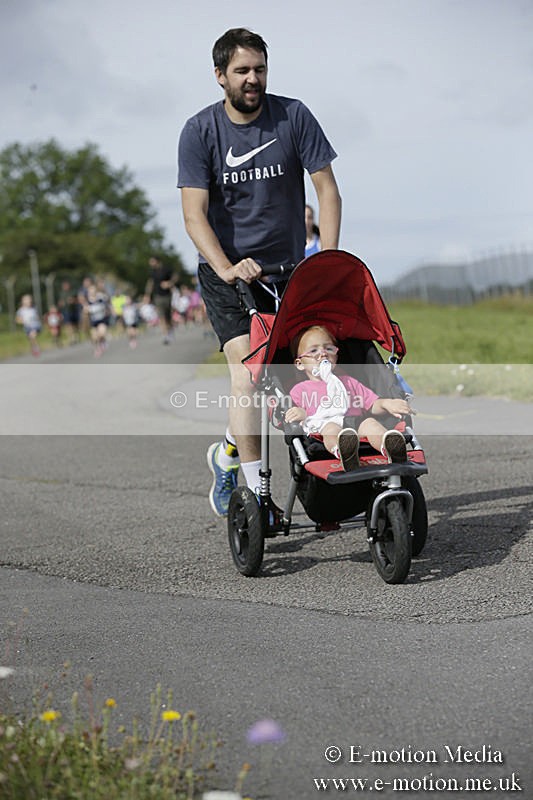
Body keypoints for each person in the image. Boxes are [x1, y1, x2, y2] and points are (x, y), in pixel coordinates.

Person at [178, 27, 342, 517]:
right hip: (227, 274)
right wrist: (227, 267)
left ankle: (232, 451)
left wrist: (328, 261)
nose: (253, 79)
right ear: (220, 76)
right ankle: (256, 494)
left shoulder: (293, 115)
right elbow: (194, 214)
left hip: (291, 270)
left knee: (305, 370)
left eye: (260, 69)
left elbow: (327, 192)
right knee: (248, 374)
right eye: (242, 71)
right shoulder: (200, 131)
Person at [286, 325, 410, 470]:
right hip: (323, 425)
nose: (323, 354)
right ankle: (343, 451)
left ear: (336, 356)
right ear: (300, 364)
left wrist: (387, 403)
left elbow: (371, 403)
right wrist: (301, 413)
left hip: (355, 421)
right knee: (331, 430)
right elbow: (292, 410)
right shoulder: (300, 389)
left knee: (371, 423)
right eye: (314, 351)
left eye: (329, 349)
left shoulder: (348, 381)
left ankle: (390, 447)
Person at [144, 256, 177, 344]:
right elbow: (150, 283)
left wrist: (169, 283)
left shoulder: (166, 269)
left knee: (168, 316)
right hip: (157, 296)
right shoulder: (152, 272)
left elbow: (175, 276)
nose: (151, 264)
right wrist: (147, 295)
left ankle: (170, 331)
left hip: (167, 295)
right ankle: (166, 335)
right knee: (161, 316)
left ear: (157, 261)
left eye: (152, 262)